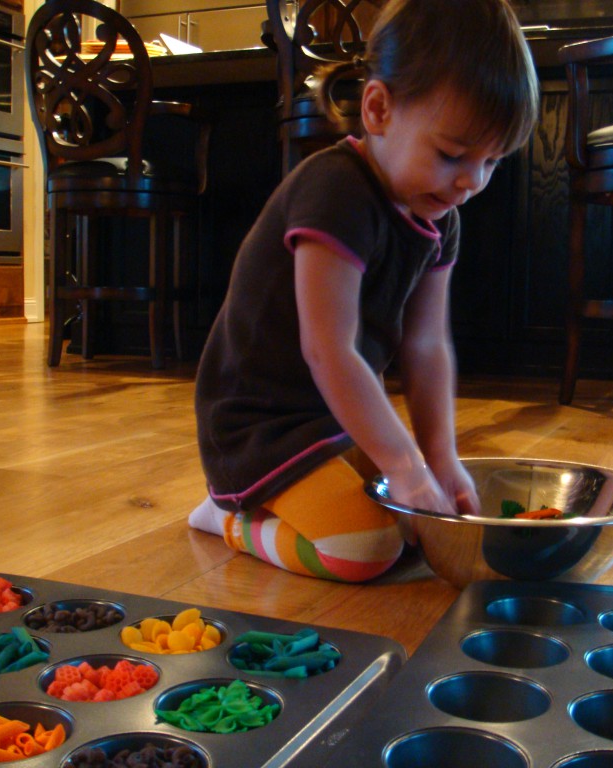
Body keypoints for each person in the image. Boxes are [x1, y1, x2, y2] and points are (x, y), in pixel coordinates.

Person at [190, 0, 539, 582]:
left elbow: (427, 348)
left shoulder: (441, 214)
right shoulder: (336, 191)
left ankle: (297, 502)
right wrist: (403, 464)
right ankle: (227, 516)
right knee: (366, 550)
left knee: (416, 525)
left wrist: (439, 460)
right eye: (452, 154)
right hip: (261, 428)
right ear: (378, 109)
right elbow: (328, 349)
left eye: (491, 162)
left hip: (334, 418)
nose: (470, 182)